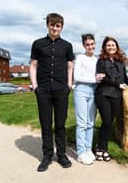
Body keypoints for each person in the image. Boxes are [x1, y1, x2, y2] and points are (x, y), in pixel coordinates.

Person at [30, 13, 74, 172]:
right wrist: (35, 86)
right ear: (47, 25)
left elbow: (70, 66)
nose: (55, 28)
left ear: (61, 27)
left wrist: (69, 85)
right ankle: (47, 156)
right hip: (43, 90)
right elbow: (33, 65)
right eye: (52, 25)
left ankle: (61, 155)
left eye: (58, 25)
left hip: (62, 90)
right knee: (46, 125)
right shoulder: (38, 44)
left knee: (60, 125)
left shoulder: (67, 46)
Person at [94, 36, 128, 161]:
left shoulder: (120, 61)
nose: (111, 47)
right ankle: (102, 149)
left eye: (113, 45)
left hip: (116, 96)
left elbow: (124, 78)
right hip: (103, 94)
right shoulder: (101, 61)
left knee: (108, 124)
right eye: (108, 45)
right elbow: (102, 78)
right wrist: (117, 84)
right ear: (104, 47)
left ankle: (100, 147)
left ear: (117, 47)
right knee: (107, 122)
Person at [73, 33, 104, 165]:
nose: (90, 46)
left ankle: (87, 149)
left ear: (95, 44)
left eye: (92, 44)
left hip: (94, 90)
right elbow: (77, 76)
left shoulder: (97, 59)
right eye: (87, 44)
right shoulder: (80, 57)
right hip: (81, 90)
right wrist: (94, 79)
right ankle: (80, 153)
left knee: (91, 122)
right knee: (82, 123)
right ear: (84, 45)